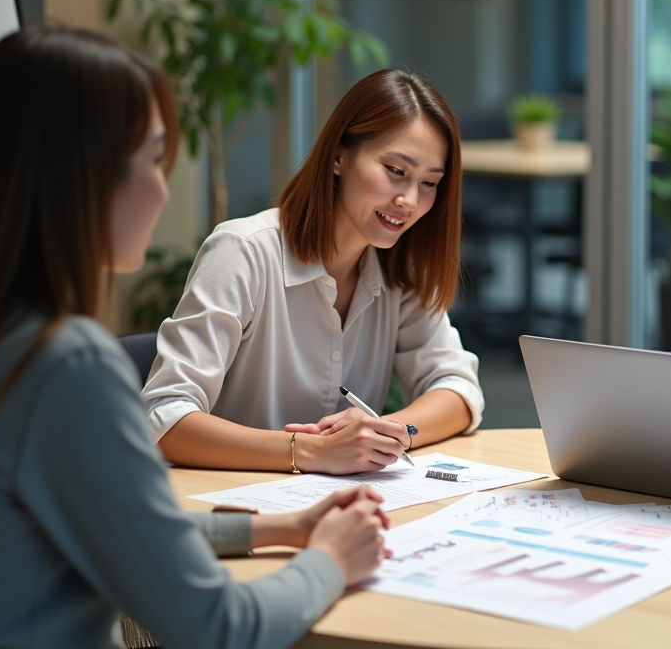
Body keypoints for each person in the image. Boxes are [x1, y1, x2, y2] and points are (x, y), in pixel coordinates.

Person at [0, 26, 389, 649]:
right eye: (151, 159)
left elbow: (121, 534)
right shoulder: (64, 366)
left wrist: (278, 531)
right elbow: (218, 636)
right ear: (77, 175)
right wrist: (332, 561)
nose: (164, 189)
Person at [143, 69, 483, 475]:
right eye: (396, 171)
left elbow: (459, 388)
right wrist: (309, 451)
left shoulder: (399, 270)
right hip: (229, 506)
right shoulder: (243, 253)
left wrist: (393, 430)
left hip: (336, 510)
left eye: (429, 183)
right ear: (339, 156)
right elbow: (163, 419)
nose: (409, 200)